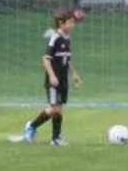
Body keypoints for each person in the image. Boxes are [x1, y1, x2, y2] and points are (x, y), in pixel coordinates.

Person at [20, 9, 83, 146]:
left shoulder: (67, 39)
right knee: (54, 109)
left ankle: (47, 134)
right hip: (53, 80)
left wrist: (74, 74)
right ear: (61, 23)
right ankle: (44, 133)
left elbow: (68, 59)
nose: (73, 25)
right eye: (70, 22)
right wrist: (52, 76)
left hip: (63, 80)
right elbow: (45, 59)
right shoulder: (55, 38)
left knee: (56, 109)